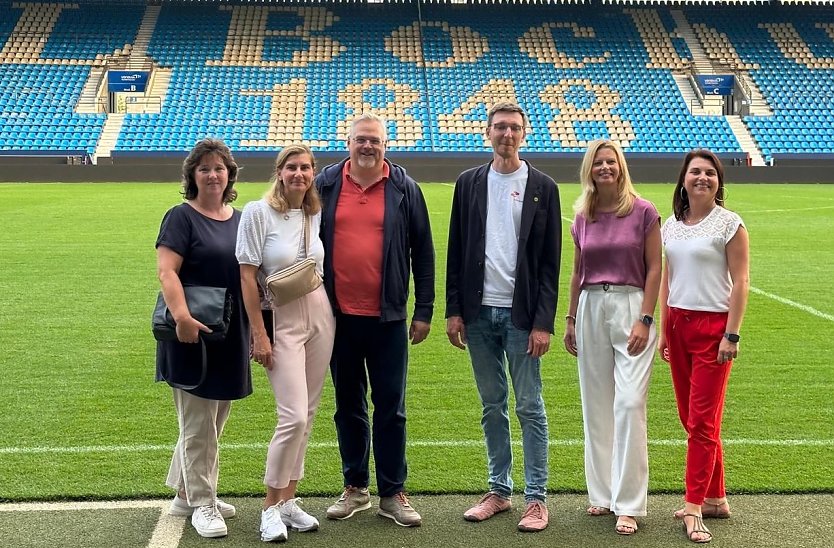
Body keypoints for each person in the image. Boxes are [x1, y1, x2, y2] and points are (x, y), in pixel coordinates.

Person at [445, 102, 561, 532]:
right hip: (477, 314)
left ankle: (536, 499)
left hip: (522, 316)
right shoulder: (469, 183)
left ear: (524, 133)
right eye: (499, 127)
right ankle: (499, 490)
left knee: (530, 406)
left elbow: (550, 263)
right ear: (487, 133)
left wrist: (543, 322)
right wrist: (454, 310)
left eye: (514, 127)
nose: (506, 134)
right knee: (492, 405)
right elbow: (456, 251)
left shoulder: (542, 186)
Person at [315, 113, 435, 527]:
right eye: (361, 140)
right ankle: (355, 487)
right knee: (348, 405)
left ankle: (392, 492)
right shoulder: (326, 184)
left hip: (388, 319)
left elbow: (424, 251)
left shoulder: (405, 189)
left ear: (387, 145)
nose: (368, 146)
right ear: (347, 142)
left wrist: (423, 311)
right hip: (337, 318)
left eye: (375, 141)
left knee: (391, 408)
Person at [236, 144, 336, 542]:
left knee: (308, 414)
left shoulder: (314, 212)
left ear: (313, 174)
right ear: (279, 172)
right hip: (280, 318)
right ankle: (269, 507)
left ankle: (290, 499)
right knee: (291, 416)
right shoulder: (258, 212)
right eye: (292, 167)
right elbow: (246, 276)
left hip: (319, 312)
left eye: (306, 168)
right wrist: (258, 333)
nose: (299, 174)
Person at [562, 139, 661, 536]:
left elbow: (655, 269)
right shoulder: (582, 216)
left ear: (621, 166)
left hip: (631, 305)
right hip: (590, 307)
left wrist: (646, 318)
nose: (606, 168)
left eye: (612, 162)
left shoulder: (643, 211)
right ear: (590, 169)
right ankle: (602, 494)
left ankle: (630, 502)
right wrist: (570, 318)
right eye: (599, 163)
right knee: (596, 404)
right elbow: (576, 271)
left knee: (629, 403)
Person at [155, 138, 251, 538]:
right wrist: (182, 317)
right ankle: (203, 503)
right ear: (192, 176)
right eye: (204, 169)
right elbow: (167, 272)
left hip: (230, 334)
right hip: (191, 334)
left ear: (229, 173)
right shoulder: (181, 217)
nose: (213, 175)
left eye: (219, 168)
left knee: (213, 422)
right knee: (197, 424)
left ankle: (184, 493)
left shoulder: (242, 218)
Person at [658, 149, 749, 544]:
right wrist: (664, 327)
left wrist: (732, 334)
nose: (702, 178)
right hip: (678, 325)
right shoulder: (671, 225)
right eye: (695, 172)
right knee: (691, 418)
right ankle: (715, 498)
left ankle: (694, 507)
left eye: (710, 173)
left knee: (702, 423)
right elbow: (667, 277)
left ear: (718, 181)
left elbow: (741, 281)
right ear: (683, 179)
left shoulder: (730, 224)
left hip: (713, 329)